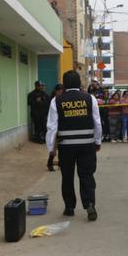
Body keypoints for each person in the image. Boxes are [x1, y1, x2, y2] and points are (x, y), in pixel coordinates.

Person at [46, 70, 102, 221]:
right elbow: (97, 122)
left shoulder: (56, 101)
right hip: (87, 145)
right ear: (79, 83)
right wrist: (97, 141)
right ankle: (89, 203)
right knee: (87, 175)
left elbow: (52, 127)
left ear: (64, 84)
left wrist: (51, 149)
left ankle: (69, 207)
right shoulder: (90, 99)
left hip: (66, 146)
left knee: (67, 177)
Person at [46, 84, 65, 171]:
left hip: (61, 126)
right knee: (54, 146)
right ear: (56, 91)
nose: (60, 94)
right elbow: (53, 117)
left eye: (62, 92)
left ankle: (61, 163)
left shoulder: (62, 100)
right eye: (59, 92)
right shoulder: (54, 100)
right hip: (55, 126)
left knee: (61, 146)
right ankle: (50, 163)